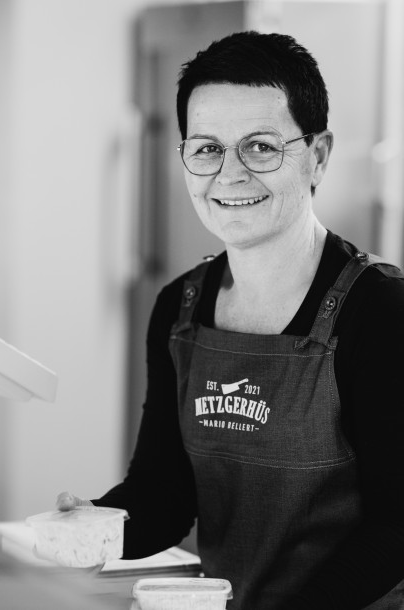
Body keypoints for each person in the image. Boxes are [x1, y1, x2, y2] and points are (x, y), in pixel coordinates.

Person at [57, 32, 404, 609]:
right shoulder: (179, 307)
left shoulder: (382, 310)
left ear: (317, 156)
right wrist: (96, 526)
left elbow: (397, 527)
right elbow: (165, 494)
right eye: (207, 148)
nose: (229, 174)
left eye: (261, 147)